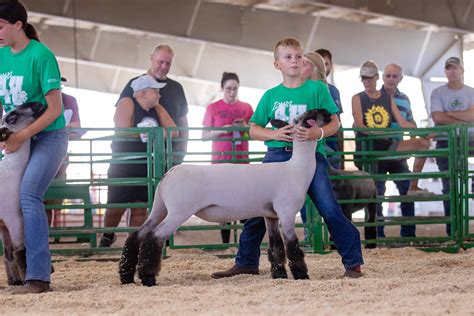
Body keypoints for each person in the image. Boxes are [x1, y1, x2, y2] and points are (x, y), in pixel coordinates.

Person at [211, 37, 364, 279]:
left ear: (303, 59)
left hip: (310, 159)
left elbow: (335, 122)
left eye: (297, 56)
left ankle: (353, 263)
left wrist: (318, 132)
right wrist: (274, 133)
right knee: (257, 208)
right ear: (277, 64)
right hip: (277, 157)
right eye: (288, 57)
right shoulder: (271, 95)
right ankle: (247, 262)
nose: (294, 60)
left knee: (328, 206)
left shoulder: (317, 89)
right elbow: (253, 128)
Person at [0, 0, 68, 294]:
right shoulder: (1, 56)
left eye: (0, 25)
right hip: (17, 139)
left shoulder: (42, 56)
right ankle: (19, 270)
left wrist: (19, 136)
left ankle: (38, 276)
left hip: (48, 137)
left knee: (28, 194)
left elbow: (55, 109)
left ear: (18, 25)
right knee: (9, 203)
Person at [352, 60, 432, 238]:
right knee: (376, 193)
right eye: (364, 78)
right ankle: (377, 236)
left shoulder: (393, 99)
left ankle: (408, 236)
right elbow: (359, 125)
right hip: (371, 150)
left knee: (422, 147)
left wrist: (422, 133)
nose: (367, 81)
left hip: (392, 147)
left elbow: (405, 122)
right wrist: (382, 132)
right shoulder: (359, 97)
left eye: (370, 77)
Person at [99, 75, 178, 247]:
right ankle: (107, 236)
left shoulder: (156, 109)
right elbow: (122, 131)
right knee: (116, 206)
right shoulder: (127, 103)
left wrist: (157, 106)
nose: (159, 95)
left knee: (140, 208)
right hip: (123, 164)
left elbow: (174, 131)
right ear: (142, 93)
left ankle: (133, 243)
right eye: (155, 91)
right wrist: (151, 134)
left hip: (146, 165)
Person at [202, 72, 254, 244]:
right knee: (222, 199)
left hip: (241, 158)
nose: (232, 92)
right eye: (228, 89)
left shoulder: (246, 108)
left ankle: (244, 243)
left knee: (243, 199)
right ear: (222, 89)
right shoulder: (213, 108)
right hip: (220, 159)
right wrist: (224, 129)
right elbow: (204, 135)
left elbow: (254, 132)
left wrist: (245, 126)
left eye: (235, 89)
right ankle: (226, 243)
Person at [116, 44, 188, 166]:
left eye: (168, 63)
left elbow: (183, 122)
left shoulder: (177, 88)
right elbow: (121, 124)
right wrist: (146, 135)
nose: (164, 67)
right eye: (160, 62)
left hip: (168, 158)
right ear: (152, 58)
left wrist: (182, 150)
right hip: (136, 158)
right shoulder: (133, 85)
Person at [430, 56, 474, 236]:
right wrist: (465, 115)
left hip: (469, 139)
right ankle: (453, 232)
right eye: (449, 68)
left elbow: (472, 116)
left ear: (462, 70)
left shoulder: (470, 91)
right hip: (446, 140)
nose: (452, 71)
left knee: (457, 183)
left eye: (455, 68)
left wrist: (448, 114)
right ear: (445, 71)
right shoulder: (438, 92)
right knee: (449, 186)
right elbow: (437, 118)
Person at [44, 78, 83, 226]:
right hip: (39, 154)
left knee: (49, 201)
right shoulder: (34, 98)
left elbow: (77, 130)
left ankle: (43, 240)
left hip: (58, 157)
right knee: (34, 199)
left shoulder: (69, 100)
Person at [316, 48, 344, 168]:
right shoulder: (307, 90)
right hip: (316, 145)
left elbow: (339, 121)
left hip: (333, 147)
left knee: (335, 183)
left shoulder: (334, 91)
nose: (323, 67)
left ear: (330, 66)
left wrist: (342, 153)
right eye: (320, 63)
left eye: (326, 64)